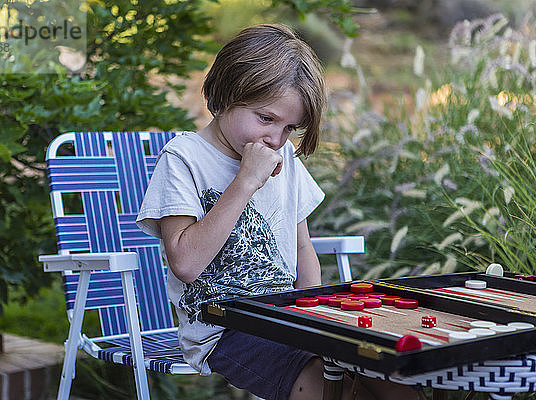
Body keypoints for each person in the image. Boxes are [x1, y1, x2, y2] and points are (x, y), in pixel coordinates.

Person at [137, 24, 418, 400]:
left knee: (393, 376)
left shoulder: (283, 156)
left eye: (289, 127)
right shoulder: (184, 159)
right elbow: (186, 264)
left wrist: (319, 323)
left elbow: (303, 250)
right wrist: (245, 182)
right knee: (336, 390)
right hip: (226, 331)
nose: (276, 138)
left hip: (290, 319)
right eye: (266, 118)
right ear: (226, 93)